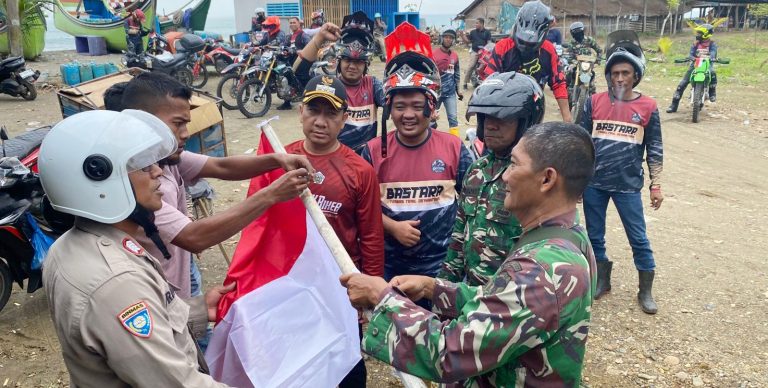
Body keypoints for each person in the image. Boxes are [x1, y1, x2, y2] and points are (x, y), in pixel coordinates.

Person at [341, 121, 597, 386]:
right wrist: (434, 288)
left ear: (547, 179)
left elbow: (449, 351)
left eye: (514, 164)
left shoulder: (539, 269)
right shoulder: (567, 235)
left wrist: (380, 297)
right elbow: (505, 300)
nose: (505, 176)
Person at [40, 110, 235, 386]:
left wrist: (201, 310)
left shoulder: (74, 245)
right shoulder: (116, 282)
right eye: (144, 166)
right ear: (99, 179)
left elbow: (129, 335)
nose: (158, 171)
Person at [108, 72, 313, 300]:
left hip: (179, 277)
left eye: (186, 123)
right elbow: (194, 237)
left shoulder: (166, 159)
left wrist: (276, 160)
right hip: (154, 299)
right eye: (177, 124)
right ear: (144, 120)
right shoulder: (137, 182)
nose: (185, 133)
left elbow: (221, 167)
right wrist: (270, 195)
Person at [285, 75, 385, 388]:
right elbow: (260, 227)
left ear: (345, 118)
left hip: (340, 292)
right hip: (291, 288)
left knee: (346, 370)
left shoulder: (359, 171)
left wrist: (369, 300)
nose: (320, 121)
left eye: (331, 113)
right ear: (301, 111)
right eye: (314, 110)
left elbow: (371, 238)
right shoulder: (279, 159)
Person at [359, 37, 473, 308]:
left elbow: (474, 204)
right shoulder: (373, 151)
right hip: (390, 267)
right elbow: (360, 209)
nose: (408, 114)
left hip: (442, 267)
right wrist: (391, 226)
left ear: (431, 108)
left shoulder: (454, 148)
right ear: (389, 109)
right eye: (399, 107)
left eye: (416, 106)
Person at [579, 42, 663, 314]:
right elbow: (579, 143)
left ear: (635, 76)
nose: (619, 78)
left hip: (628, 186)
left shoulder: (648, 106)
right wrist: (576, 180)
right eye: (615, 73)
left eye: (625, 73)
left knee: (638, 237)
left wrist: (656, 184)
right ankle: (602, 280)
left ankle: (645, 290)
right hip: (594, 184)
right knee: (594, 236)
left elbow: (655, 148)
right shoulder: (593, 102)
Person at [438, 71, 544, 287]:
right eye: (485, 117)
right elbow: (459, 236)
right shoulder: (477, 170)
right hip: (468, 294)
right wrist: (443, 289)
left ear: (526, 122)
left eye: (502, 118)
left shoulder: (536, 179)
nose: (490, 126)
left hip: (510, 299)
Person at [294, 15, 386, 153]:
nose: (352, 66)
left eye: (358, 62)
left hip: (365, 160)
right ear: (339, 60)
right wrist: (319, 37)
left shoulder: (372, 84)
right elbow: (299, 72)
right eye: (347, 60)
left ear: (366, 64)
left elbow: (395, 102)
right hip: (333, 156)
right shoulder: (329, 85)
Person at [485, 0, 572, 122]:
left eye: (530, 44)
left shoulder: (549, 50)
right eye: (523, 42)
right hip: (503, 108)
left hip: (533, 108)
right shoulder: (503, 47)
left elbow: (558, 83)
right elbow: (489, 81)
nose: (526, 47)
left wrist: (567, 119)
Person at [666, 23, 718, 113]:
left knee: (713, 73)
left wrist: (712, 57)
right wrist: (691, 57)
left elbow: (713, 52)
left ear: (706, 34)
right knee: (682, 83)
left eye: (699, 33)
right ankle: (673, 105)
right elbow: (691, 53)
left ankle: (712, 92)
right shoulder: (695, 44)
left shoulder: (712, 44)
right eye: (697, 33)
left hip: (707, 64)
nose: (697, 35)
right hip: (695, 64)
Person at [275, 17, 312, 111]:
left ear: (299, 24)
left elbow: (310, 46)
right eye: (290, 23)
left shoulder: (303, 35)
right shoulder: (289, 36)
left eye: (294, 22)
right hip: (290, 61)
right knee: (287, 79)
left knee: (303, 80)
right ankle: (287, 103)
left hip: (302, 61)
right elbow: (282, 45)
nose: (292, 24)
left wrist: (297, 50)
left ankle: (309, 102)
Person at [433, 28, 464, 130]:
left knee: (453, 119)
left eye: (451, 38)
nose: (448, 39)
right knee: (431, 119)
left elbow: (457, 74)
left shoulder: (455, 56)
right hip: (435, 93)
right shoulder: (433, 55)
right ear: (442, 39)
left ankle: (455, 144)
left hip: (450, 93)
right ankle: (429, 141)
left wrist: (458, 90)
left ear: (453, 40)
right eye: (446, 37)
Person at [566, 22, 603, 95]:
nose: (578, 35)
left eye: (579, 33)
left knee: (592, 84)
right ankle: (568, 94)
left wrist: (597, 61)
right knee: (569, 74)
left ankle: (593, 101)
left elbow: (599, 50)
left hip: (587, 65)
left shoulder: (589, 40)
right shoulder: (572, 43)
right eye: (576, 33)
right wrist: (574, 63)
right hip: (576, 65)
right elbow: (569, 56)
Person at [459, 18, 492, 91]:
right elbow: (467, 42)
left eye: (477, 23)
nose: (475, 24)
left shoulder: (487, 32)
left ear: (482, 24)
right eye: (475, 23)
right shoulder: (473, 32)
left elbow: (489, 43)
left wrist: (487, 51)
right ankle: (465, 83)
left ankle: (486, 82)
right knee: (471, 66)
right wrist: (462, 35)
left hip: (484, 53)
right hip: (475, 52)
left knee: (488, 66)